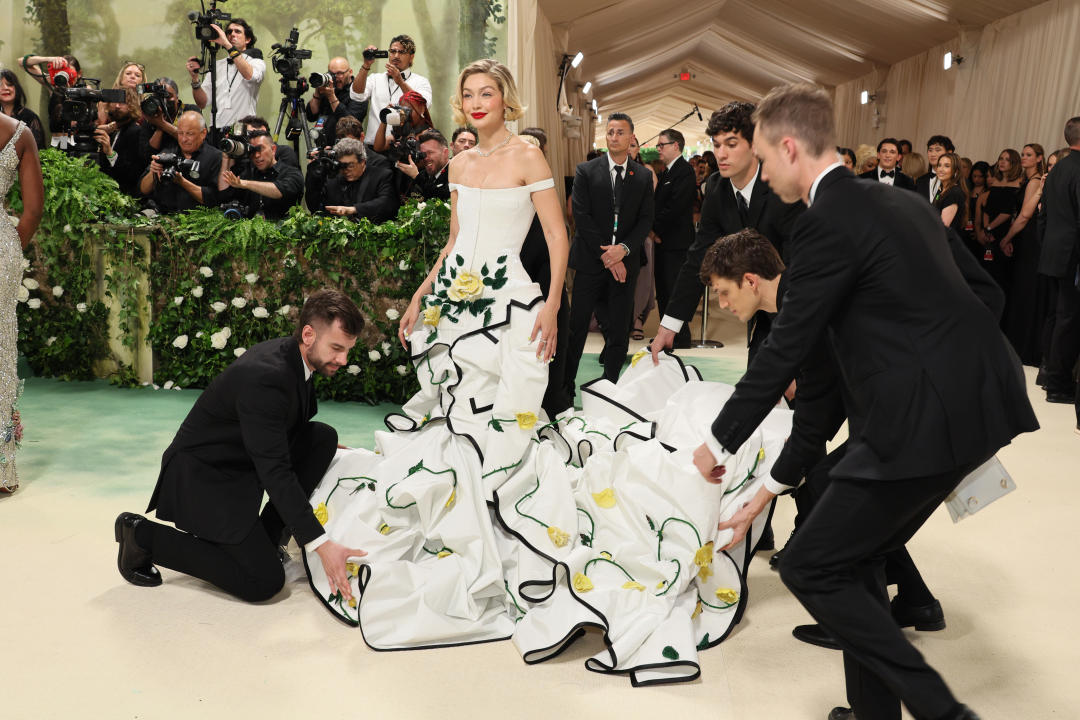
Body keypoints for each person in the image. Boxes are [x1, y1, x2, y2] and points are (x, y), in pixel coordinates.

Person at [695, 82, 1036, 720]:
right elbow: (986, 294)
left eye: (765, 161)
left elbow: (785, 350)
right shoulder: (900, 202)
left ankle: (943, 712)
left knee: (810, 564)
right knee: (846, 547)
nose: (764, 179)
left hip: (920, 418)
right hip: (981, 400)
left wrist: (717, 443)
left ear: (789, 148)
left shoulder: (826, 226)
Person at [699, 224, 1005, 652]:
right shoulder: (805, 296)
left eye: (723, 292)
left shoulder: (807, 307)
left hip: (936, 413)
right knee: (835, 485)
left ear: (751, 280)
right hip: (933, 406)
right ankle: (913, 603)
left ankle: (862, 631)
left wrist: (755, 501)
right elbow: (822, 413)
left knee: (847, 505)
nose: (722, 304)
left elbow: (812, 426)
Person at [115, 290, 368, 602]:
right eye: (337, 348)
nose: (343, 360)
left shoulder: (297, 359)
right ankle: (141, 535)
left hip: (240, 459)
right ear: (308, 334)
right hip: (205, 477)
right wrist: (321, 543)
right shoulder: (268, 376)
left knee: (322, 439)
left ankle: (268, 536)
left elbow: (282, 426)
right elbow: (275, 471)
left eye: (348, 351)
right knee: (263, 582)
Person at [649, 101, 802, 367]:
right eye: (716, 144)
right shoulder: (717, 188)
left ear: (755, 145)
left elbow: (800, 267)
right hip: (763, 312)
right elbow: (699, 256)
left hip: (803, 311)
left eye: (731, 144)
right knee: (760, 386)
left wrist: (789, 353)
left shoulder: (784, 186)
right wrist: (669, 325)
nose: (721, 154)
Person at [564, 112, 655, 388]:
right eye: (610, 132)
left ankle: (611, 385)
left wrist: (623, 250)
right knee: (577, 326)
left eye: (620, 132)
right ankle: (565, 387)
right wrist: (607, 255)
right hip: (591, 260)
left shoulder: (641, 176)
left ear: (631, 138)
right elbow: (581, 214)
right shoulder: (586, 170)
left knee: (618, 327)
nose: (614, 137)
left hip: (625, 263)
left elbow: (645, 219)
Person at [0, 112, 43, 494]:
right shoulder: (19, 133)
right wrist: (10, 250)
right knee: (0, 355)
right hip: (1, 250)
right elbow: (32, 212)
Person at [518, 125, 573, 417]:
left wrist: (551, 305)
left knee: (551, 350)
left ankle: (554, 402)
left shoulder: (547, 206)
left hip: (546, 289)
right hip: (514, 291)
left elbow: (557, 247)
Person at [1038, 118, 1080, 420]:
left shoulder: (1057, 169)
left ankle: (1051, 377)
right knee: (1069, 320)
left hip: (1055, 252)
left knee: (1061, 317)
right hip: (1073, 255)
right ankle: (1059, 384)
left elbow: (1046, 215)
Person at [1000, 144, 1049, 366]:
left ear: (1039, 158)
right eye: (1023, 154)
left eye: (1029, 155)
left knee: (1025, 291)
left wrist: (1006, 238)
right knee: (1020, 290)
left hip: (1029, 240)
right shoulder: (1027, 181)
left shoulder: (1036, 181)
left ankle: (1023, 347)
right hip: (1024, 238)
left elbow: (1023, 216)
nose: (1024, 158)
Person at [651, 128, 697, 350]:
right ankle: (667, 334)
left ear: (676, 146)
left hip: (676, 242)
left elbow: (675, 207)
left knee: (674, 289)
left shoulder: (684, 171)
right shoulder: (667, 172)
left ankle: (680, 335)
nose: (658, 149)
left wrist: (655, 229)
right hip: (664, 241)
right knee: (664, 289)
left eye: (662, 145)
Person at [350, 35, 433, 147]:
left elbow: (422, 107)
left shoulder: (421, 81)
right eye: (393, 51)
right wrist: (366, 65)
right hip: (372, 149)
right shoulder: (375, 78)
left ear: (411, 57)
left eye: (402, 52)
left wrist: (401, 82)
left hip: (405, 148)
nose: (396, 56)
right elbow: (357, 95)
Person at [186, 18, 265, 131]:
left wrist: (227, 45)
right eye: (229, 32)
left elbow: (250, 75)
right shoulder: (217, 65)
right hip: (216, 131)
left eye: (237, 31)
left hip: (242, 130)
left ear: (247, 39)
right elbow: (202, 103)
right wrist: (195, 79)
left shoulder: (256, 62)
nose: (232, 34)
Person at [138, 111, 223, 214]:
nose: (183, 139)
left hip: (198, 222)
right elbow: (143, 190)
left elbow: (214, 199)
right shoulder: (167, 153)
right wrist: (153, 172)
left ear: (203, 133)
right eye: (180, 133)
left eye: (189, 134)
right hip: (164, 218)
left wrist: (182, 182)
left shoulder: (215, 157)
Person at [218, 131, 304, 220]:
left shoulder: (292, 173)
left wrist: (245, 184)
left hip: (283, 231)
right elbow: (224, 194)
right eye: (253, 150)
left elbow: (279, 191)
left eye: (261, 149)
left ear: (273, 149)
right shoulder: (249, 173)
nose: (257, 155)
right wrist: (226, 157)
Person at [317, 137, 399, 223]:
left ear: (363, 162)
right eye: (342, 166)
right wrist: (314, 173)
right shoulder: (333, 179)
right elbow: (314, 204)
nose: (345, 170)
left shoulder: (381, 175)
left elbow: (386, 203)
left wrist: (355, 209)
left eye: (351, 165)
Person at [978, 148, 1023, 293]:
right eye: (1001, 158)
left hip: (1006, 232)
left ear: (1014, 163)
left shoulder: (1019, 183)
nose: (1002, 162)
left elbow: (1007, 213)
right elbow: (987, 209)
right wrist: (985, 229)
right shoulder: (996, 181)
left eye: (1007, 159)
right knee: (987, 272)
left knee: (1002, 276)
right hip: (990, 232)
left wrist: (989, 228)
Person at [305, 56, 367, 149]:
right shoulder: (329, 87)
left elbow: (351, 125)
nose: (335, 78)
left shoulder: (358, 91)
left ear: (350, 72)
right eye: (331, 73)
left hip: (347, 149)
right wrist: (317, 93)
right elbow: (311, 116)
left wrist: (331, 96)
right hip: (323, 146)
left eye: (339, 73)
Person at [94, 97, 146, 197]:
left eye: (122, 103)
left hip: (124, 197)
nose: (117, 106)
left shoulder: (136, 131)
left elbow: (132, 174)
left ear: (132, 106)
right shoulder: (114, 131)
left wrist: (110, 152)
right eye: (115, 101)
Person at [395, 127, 450, 201]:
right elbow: (409, 202)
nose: (425, 158)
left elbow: (442, 199)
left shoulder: (455, 173)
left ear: (445, 153)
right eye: (423, 154)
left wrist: (417, 177)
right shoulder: (423, 174)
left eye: (430, 152)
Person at [0, 70, 44, 148]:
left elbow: (38, 149)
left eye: (9, 84)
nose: (5, 88)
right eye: (0, 85)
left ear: (16, 88)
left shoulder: (30, 116)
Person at [932, 151, 968, 233]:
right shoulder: (941, 189)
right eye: (939, 165)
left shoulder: (954, 193)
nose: (941, 169)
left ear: (956, 171)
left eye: (946, 166)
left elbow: (943, 227)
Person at [915, 135, 955, 203]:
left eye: (938, 150)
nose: (933, 154)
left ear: (949, 153)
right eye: (930, 150)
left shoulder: (956, 180)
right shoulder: (920, 181)